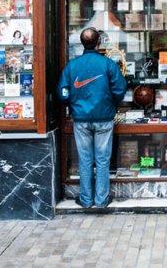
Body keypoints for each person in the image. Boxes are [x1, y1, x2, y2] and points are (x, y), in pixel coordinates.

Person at [57, 27, 127, 209]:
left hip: (81, 119)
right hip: (104, 118)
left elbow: (63, 92)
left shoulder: (72, 66)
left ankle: (86, 199)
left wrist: (72, 105)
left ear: (82, 43)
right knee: (103, 160)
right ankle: (101, 200)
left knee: (85, 160)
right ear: (99, 43)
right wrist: (110, 104)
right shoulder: (108, 64)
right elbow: (120, 89)